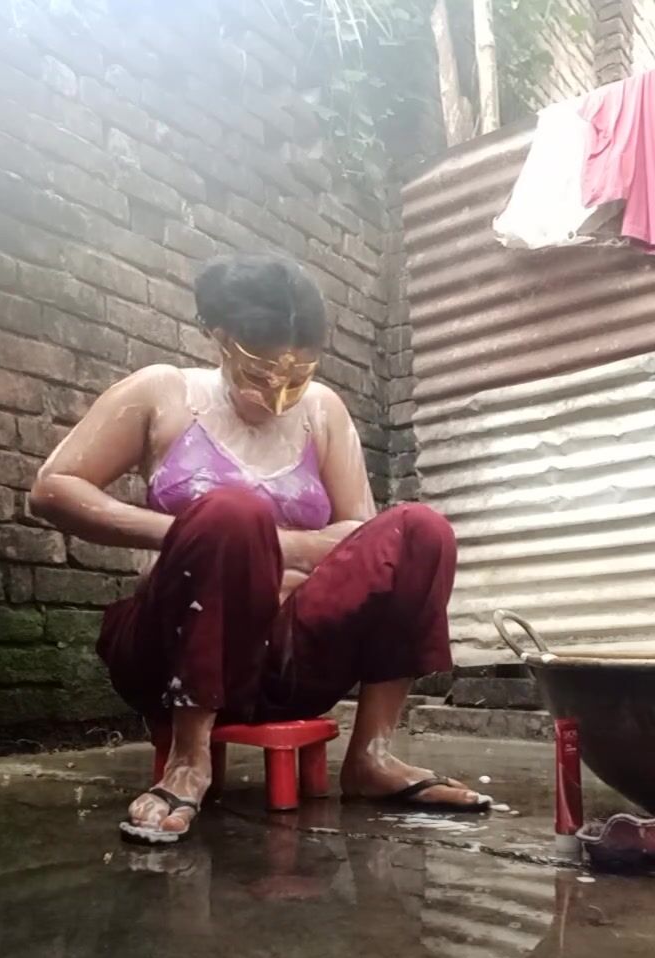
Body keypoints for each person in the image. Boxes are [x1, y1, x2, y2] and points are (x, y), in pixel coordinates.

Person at [30, 253, 489, 843]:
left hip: (291, 660)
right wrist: (198, 535)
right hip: (170, 654)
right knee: (230, 512)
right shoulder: (163, 392)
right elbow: (53, 489)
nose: (278, 393)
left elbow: (361, 537)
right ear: (220, 337)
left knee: (421, 528)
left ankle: (372, 756)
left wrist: (265, 547)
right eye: (259, 373)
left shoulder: (323, 410)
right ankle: (189, 758)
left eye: (295, 377)